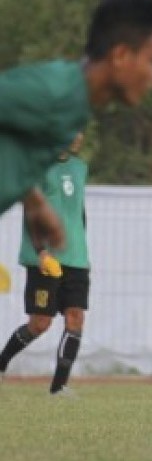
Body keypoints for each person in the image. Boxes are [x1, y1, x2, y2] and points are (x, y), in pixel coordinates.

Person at [0, 0, 152, 290]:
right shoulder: (55, 92)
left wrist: (36, 203)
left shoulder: (75, 107)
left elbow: (15, 148)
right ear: (120, 56)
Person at [0, 133, 89, 396]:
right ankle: (2, 362)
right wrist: (40, 251)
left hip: (76, 259)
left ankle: (59, 387)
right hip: (46, 259)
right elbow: (32, 212)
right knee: (40, 323)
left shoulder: (80, 168)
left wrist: (83, 249)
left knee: (76, 318)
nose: (77, 136)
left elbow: (79, 211)